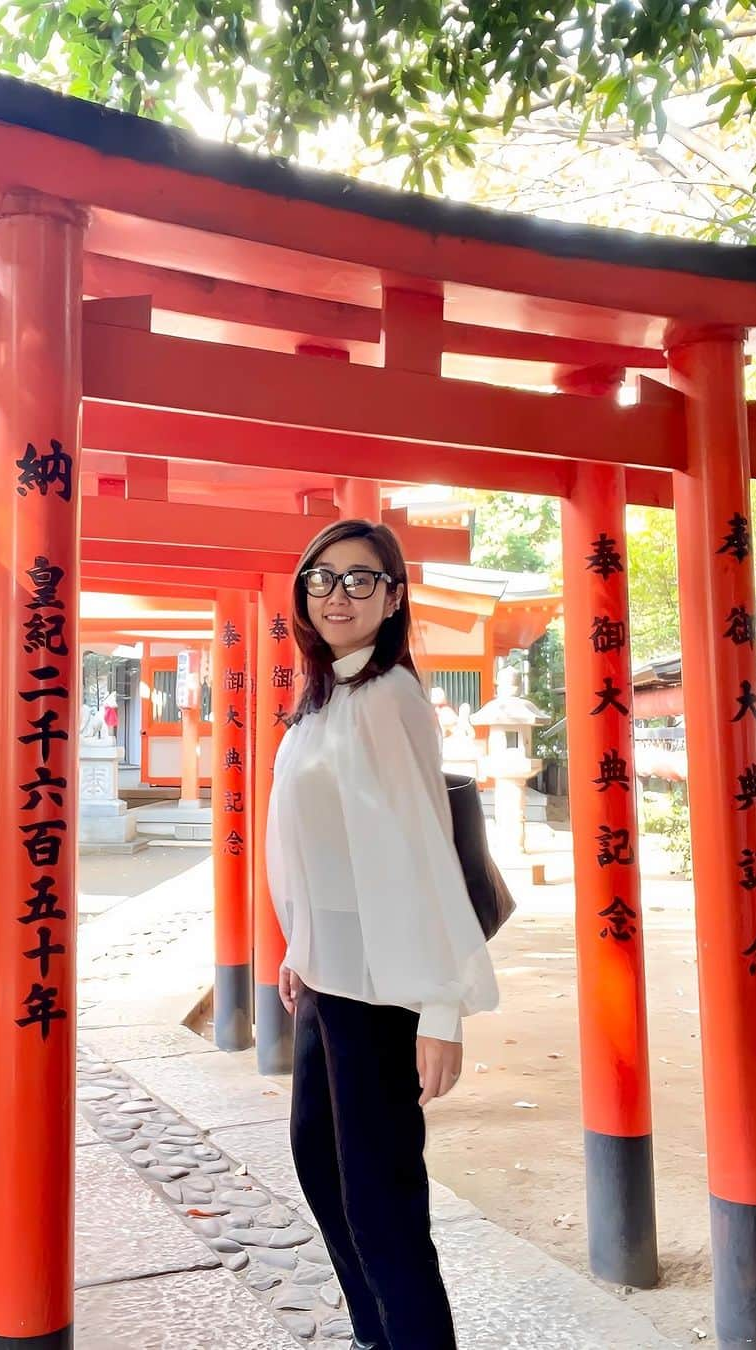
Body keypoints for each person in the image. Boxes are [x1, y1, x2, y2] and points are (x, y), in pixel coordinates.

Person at [266, 518, 499, 1350]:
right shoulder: (328, 693)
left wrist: (440, 1006)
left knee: (382, 1193)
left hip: (384, 987)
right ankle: (377, 1332)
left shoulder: (390, 696)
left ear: (394, 596)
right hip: (329, 977)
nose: (336, 594)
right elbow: (323, 847)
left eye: (360, 579)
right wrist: (300, 946)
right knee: (322, 1168)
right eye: (321, 578)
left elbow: (422, 848)